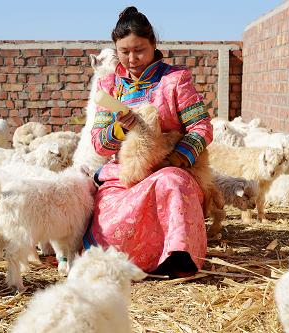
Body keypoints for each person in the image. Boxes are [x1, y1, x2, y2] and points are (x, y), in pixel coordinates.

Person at [83, 6, 213, 278]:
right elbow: (98, 144)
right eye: (124, 52)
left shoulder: (175, 80)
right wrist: (119, 129)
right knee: (113, 222)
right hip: (125, 174)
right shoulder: (111, 87)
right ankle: (126, 262)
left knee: (171, 184)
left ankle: (176, 258)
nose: (132, 58)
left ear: (154, 44)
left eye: (139, 50)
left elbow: (201, 127)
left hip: (170, 167)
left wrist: (177, 159)